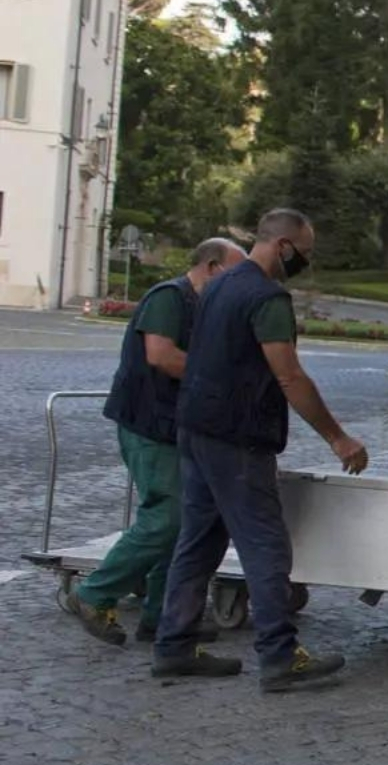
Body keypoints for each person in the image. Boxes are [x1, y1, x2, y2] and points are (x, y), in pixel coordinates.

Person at [151, 208, 370, 690]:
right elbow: (288, 376)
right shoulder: (266, 297)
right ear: (284, 246)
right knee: (265, 543)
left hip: (196, 426)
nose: (306, 261)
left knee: (198, 541)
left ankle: (174, 645)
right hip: (237, 436)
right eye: (305, 253)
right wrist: (338, 436)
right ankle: (279, 655)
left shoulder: (219, 285)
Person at [58, 238, 246, 645]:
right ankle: (95, 593)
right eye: (236, 274)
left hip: (176, 426)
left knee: (183, 523)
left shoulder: (204, 306)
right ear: (213, 268)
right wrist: (221, 383)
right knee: (169, 517)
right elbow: (161, 355)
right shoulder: (169, 298)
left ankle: (163, 616)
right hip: (148, 425)